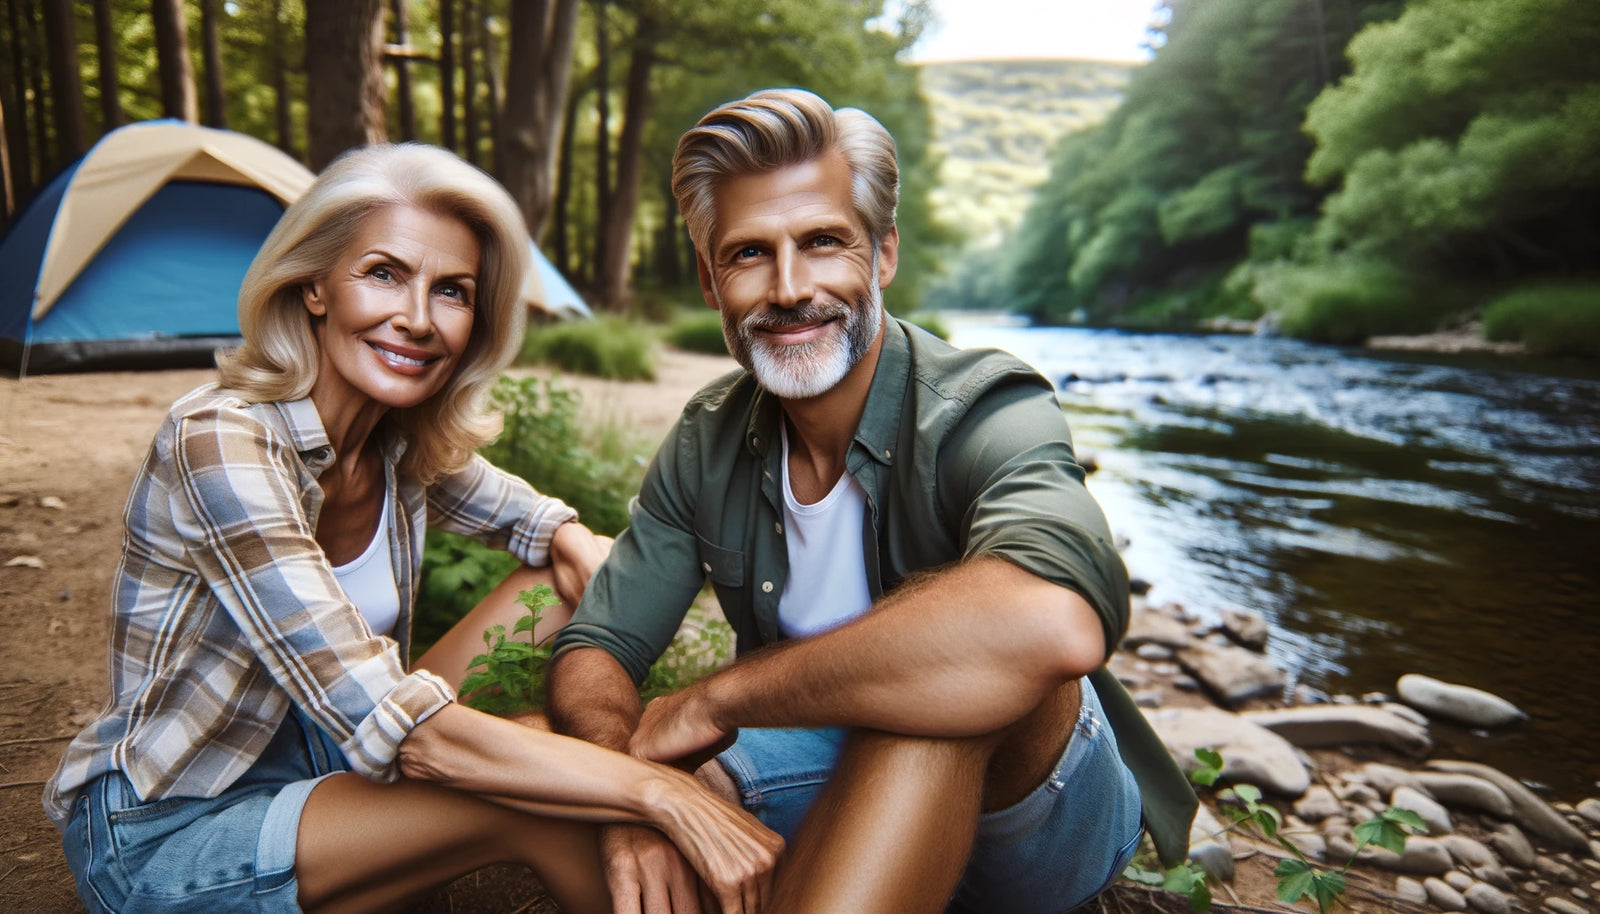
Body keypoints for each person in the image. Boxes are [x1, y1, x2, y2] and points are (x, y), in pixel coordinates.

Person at [42, 143, 781, 914]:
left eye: (452, 291)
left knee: (555, 595)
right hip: (168, 833)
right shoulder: (221, 440)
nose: (418, 319)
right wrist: (653, 791)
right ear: (317, 285)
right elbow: (408, 731)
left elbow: (538, 523)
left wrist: (572, 549)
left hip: (318, 768)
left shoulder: (394, 443)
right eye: (384, 273)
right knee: (536, 793)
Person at [548, 88, 1199, 913]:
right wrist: (631, 793)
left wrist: (717, 696)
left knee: (935, 694)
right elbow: (597, 647)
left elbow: (1050, 620)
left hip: (1040, 816)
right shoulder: (708, 436)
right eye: (749, 254)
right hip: (827, 771)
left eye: (824, 242)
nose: (788, 288)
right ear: (712, 283)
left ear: (883, 254)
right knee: (572, 767)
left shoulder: (988, 406)